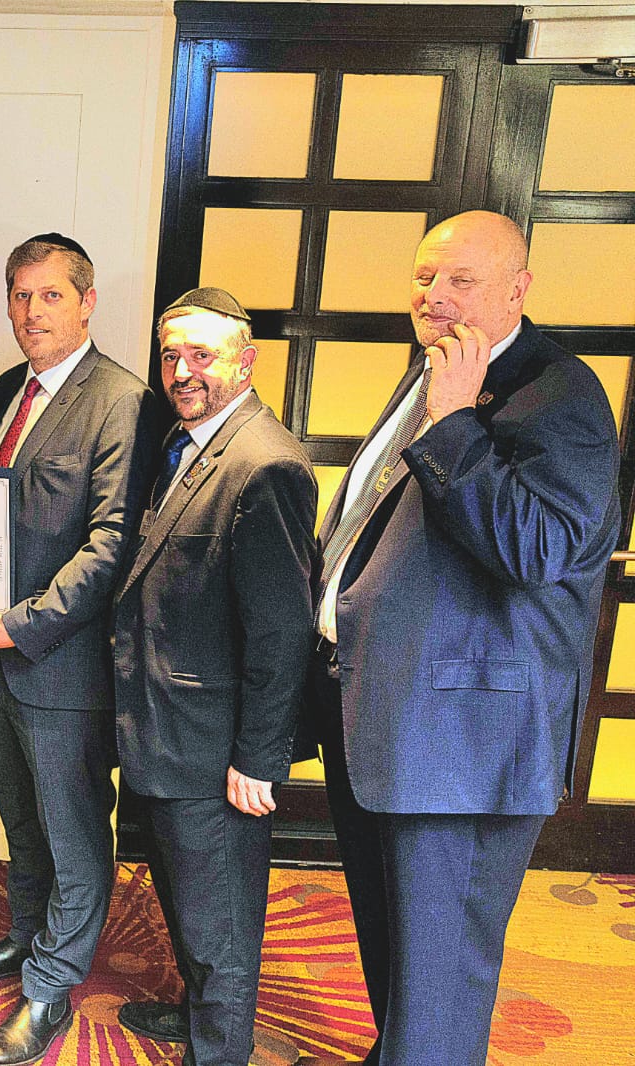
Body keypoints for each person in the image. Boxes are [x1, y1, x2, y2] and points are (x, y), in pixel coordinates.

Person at [310, 211, 620, 1065]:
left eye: (461, 280)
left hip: (464, 744)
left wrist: (452, 421)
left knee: (441, 979)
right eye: (424, 277)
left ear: (518, 290)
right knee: (398, 959)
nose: (435, 295)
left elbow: (537, 548)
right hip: (385, 713)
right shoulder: (439, 369)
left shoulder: (561, 393)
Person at [0, 234, 156, 1066]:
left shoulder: (119, 400)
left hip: (63, 663)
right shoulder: (10, 388)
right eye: (20, 294)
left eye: (50, 295)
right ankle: (26, 936)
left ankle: (52, 984)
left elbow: (111, 546)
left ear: (87, 302)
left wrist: (22, 623)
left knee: (74, 830)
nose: (31, 311)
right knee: (22, 816)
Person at [110, 287, 316, 1065]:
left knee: (219, 922)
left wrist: (259, 759)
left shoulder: (266, 465)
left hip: (214, 747)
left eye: (202, 355)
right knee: (189, 905)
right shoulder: (186, 442)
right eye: (171, 356)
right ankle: (201, 1018)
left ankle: (219, 1049)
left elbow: (280, 631)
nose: (181, 371)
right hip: (166, 730)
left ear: (246, 362)